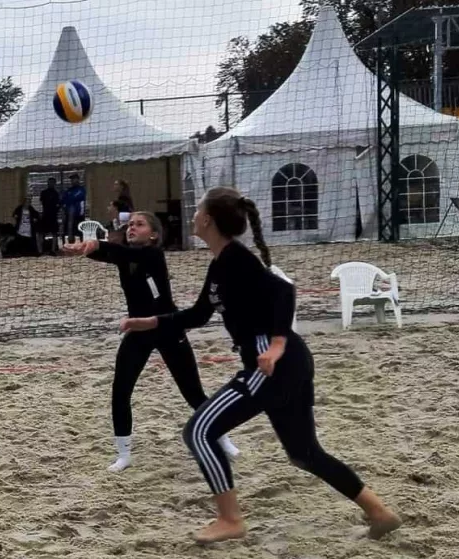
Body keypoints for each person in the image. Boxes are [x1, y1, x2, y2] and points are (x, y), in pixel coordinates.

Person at [120, 187, 401, 543]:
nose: (192, 215)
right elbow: (198, 314)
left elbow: (285, 291)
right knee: (304, 453)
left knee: (198, 431)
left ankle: (230, 519)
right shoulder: (220, 264)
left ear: (208, 220)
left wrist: (278, 342)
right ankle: (379, 513)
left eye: (197, 210)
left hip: (273, 362)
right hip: (288, 363)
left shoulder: (237, 258)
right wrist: (149, 322)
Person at [62, 211, 239, 473]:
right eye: (129, 224)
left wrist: (97, 244)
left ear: (154, 234)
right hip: (138, 329)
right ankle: (124, 455)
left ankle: (222, 438)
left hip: (167, 326)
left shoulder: (154, 255)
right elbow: (111, 254)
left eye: (139, 224)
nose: (131, 228)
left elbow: (119, 252)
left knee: (193, 393)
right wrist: (85, 249)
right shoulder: (125, 255)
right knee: (120, 392)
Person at [39, 177, 61, 255]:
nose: (51, 184)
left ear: (54, 184)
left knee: (54, 233)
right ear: (47, 183)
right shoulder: (43, 192)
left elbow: (58, 204)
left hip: (53, 216)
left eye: (52, 182)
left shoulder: (56, 193)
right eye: (49, 182)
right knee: (42, 233)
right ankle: (41, 250)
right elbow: (42, 203)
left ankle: (53, 250)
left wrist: (56, 210)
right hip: (46, 215)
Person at [62, 174, 86, 243]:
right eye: (72, 179)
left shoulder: (81, 189)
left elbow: (74, 198)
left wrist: (69, 199)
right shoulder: (69, 190)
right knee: (69, 231)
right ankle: (70, 244)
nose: (72, 181)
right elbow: (64, 200)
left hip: (79, 214)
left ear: (78, 179)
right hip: (69, 215)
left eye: (74, 179)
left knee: (80, 232)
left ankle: (81, 244)